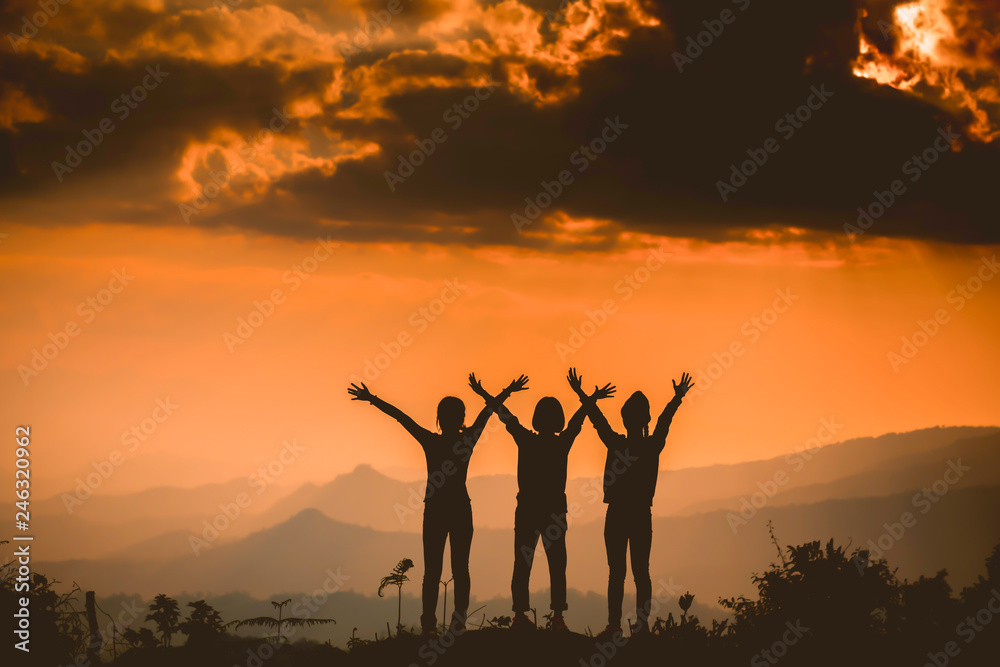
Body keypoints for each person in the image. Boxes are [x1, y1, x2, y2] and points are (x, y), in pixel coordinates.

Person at [348, 374, 528, 634]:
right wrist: (505, 390)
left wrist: (371, 399)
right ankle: (458, 624)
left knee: (432, 572)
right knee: (461, 569)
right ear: (461, 417)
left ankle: (429, 627)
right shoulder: (467, 440)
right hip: (460, 510)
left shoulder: (431, 441)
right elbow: (488, 412)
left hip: (434, 510)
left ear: (439, 418)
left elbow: (402, 418)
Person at [471, 373, 615, 631]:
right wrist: (587, 396)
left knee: (522, 563)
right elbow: (578, 419)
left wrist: (493, 392)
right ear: (556, 420)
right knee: (557, 564)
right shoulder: (561, 444)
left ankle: (518, 616)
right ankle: (557, 617)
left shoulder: (527, 440)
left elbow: (504, 415)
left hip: (526, 510)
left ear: (537, 419)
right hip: (555, 512)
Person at [568, 368, 694, 635]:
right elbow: (664, 421)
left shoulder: (616, 444)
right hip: (640, 515)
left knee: (617, 574)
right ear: (643, 418)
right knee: (641, 573)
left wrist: (582, 394)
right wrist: (676, 399)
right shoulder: (651, 446)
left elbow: (597, 420)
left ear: (625, 419)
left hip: (616, 515)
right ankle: (641, 625)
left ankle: (614, 626)